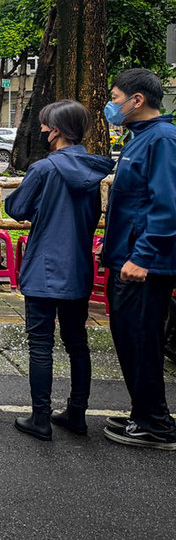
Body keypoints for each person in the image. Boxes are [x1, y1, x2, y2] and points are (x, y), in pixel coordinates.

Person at [3, 101, 113, 441]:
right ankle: (77, 413)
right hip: (78, 268)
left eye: (45, 126)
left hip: (43, 269)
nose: (43, 132)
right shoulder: (93, 172)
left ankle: (40, 417)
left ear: (57, 130)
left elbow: (17, 208)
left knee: (40, 345)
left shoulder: (44, 169)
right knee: (77, 343)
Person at [100, 68, 176, 450]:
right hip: (126, 257)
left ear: (137, 100)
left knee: (141, 340)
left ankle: (155, 424)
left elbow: (166, 207)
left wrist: (142, 257)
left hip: (144, 266)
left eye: (115, 98)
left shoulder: (163, 140)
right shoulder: (140, 138)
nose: (111, 105)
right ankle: (143, 413)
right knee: (130, 338)